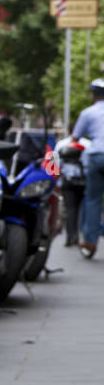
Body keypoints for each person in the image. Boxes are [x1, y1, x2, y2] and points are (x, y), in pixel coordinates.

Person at [70, 78, 104, 258]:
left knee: (93, 200)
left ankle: (90, 241)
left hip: (96, 156)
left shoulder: (87, 113)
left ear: (93, 95)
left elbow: (75, 139)